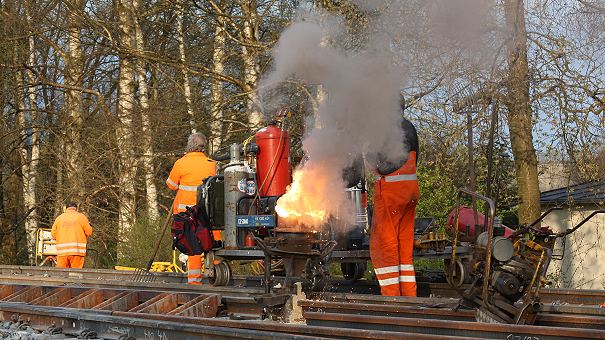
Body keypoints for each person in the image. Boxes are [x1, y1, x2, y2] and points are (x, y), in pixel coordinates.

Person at [370, 117, 420, 296]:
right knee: (404, 249)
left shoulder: (387, 126)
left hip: (391, 193)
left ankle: (392, 299)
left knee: (385, 245)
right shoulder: (409, 127)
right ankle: (408, 296)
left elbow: (384, 166)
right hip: (410, 192)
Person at [166, 132, 216, 284]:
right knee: (212, 242)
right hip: (208, 212)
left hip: (187, 214)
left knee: (193, 244)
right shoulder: (212, 163)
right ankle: (217, 276)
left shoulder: (181, 163)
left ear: (189, 145)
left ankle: (194, 281)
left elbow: (171, 185)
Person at [51, 202, 93, 269]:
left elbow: (53, 234)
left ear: (66, 208)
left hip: (62, 253)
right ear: (76, 208)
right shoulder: (81, 217)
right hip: (77, 251)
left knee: (61, 275)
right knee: (76, 274)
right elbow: (89, 232)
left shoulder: (59, 218)